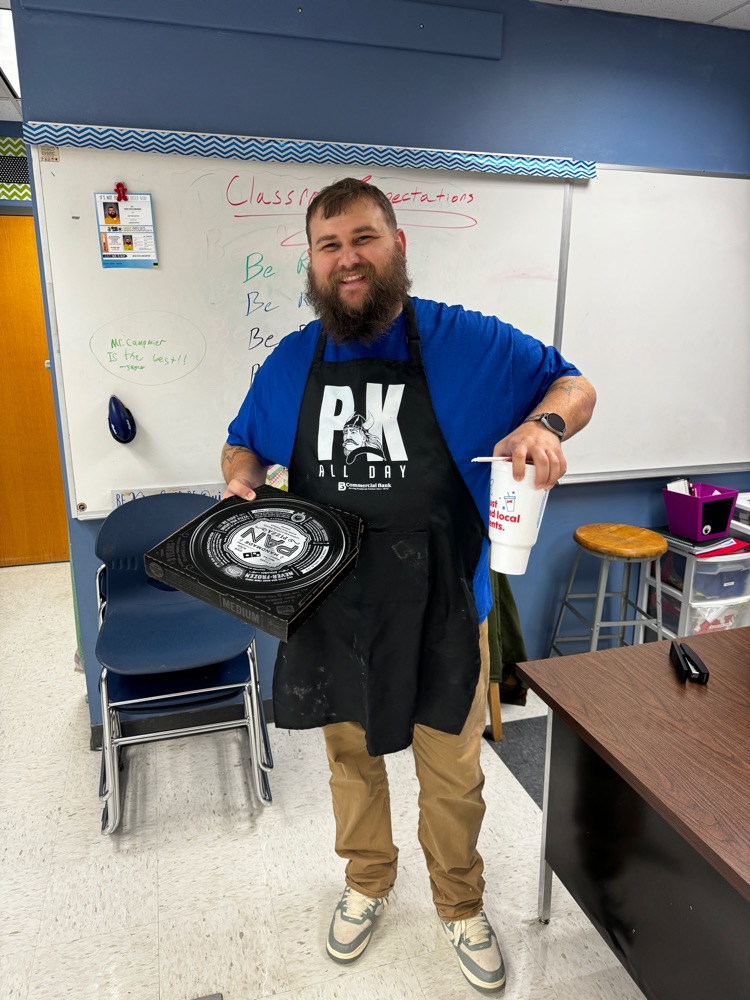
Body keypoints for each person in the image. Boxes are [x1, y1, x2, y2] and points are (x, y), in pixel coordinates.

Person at [222, 178, 596, 994]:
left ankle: (460, 903)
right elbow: (239, 446)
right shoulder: (291, 363)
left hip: (442, 614)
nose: (347, 258)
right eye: (330, 245)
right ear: (314, 262)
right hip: (330, 614)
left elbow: (576, 385)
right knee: (351, 762)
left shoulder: (472, 345)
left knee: (452, 774)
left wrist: (545, 423)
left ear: (396, 245)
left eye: (363, 239)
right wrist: (243, 480)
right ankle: (366, 883)